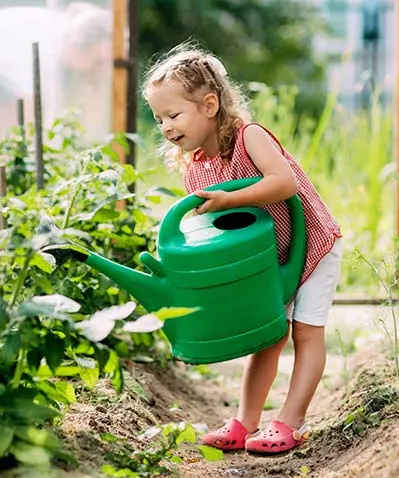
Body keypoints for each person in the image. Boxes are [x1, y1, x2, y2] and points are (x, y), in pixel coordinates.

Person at [142, 42, 343, 456]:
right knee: (267, 337)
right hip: (269, 262)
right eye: (158, 118)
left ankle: (290, 421)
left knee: (305, 332)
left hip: (313, 246)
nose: (165, 126)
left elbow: (283, 184)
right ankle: (244, 422)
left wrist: (232, 199)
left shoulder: (250, 137)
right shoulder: (197, 166)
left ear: (210, 104)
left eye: (174, 114)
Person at [0, 2, 114, 148]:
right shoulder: (46, 50)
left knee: (10, 144)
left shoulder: (65, 33)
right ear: (75, 46)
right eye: (96, 62)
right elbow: (32, 114)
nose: (96, 70)